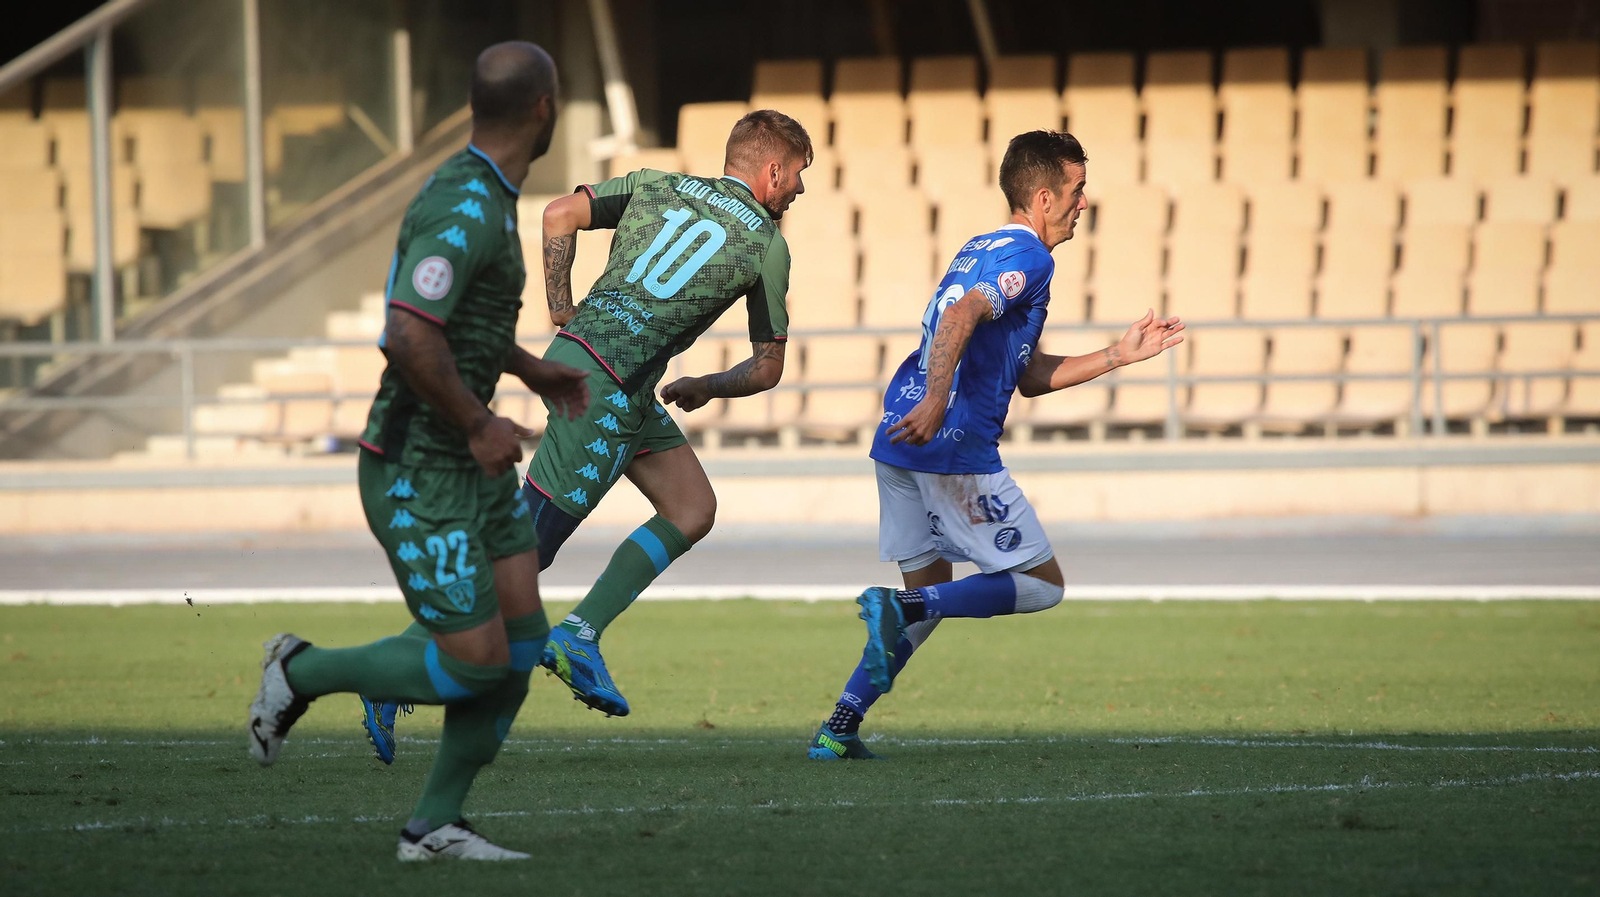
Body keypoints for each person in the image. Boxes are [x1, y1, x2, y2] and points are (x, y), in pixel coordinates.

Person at [359, 109, 810, 756]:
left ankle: (579, 633)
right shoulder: (767, 244)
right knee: (522, 551)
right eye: (797, 174)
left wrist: (562, 310)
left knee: (691, 507)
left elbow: (556, 216)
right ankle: (392, 668)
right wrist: (709, 386)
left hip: (598, 368)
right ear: (772, 171)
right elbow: (769, 367)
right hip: (606, 388)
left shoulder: (659, 183)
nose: (798, 189)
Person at [246, 42, 591, 860]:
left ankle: (432, 825)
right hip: (418, 470)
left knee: (521, 646)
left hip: (468, 469)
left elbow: (454, 323)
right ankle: (300, 671)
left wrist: (527, 364)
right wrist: (478, 423)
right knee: (475, 663)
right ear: (544, 108)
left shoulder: (483, 194)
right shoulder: (465, 205)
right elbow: (406, 334)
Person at [806, 130, 1185, 760]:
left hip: (899, 442)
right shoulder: (1034, 257)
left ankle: (839, 727)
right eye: (1077, 190)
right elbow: (959, 320)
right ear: (1042, 196)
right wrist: (936, 400)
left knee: (925, 605)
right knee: (1040, 586)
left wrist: (1119, 354)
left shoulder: (978, 247)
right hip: (951, 446)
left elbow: (1027, 375)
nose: (1083, 204)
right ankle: (897, 606)